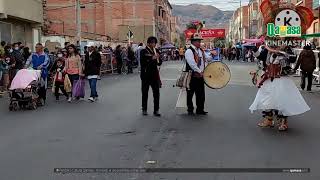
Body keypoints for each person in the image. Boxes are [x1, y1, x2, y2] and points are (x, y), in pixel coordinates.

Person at [249, 45, 310, 131]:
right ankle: (268, 120)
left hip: (282, 79)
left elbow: (292, 59)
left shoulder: (287, 50)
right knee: (267, 99)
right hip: (269, 79)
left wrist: (281, 52)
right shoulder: (267, 51)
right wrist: (255, 51)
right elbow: (260, 56)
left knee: (282, 101)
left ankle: (283, 122)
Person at [185, 33, 211, 115]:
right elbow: (192, 64)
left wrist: (212, 55)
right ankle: (190, 109)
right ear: (193, 42)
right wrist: (199, 72)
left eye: (200, 41)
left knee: (201, 94)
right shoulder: (189, 51)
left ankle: (200, 109)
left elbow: (207, 59)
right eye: (198, 41)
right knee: (190, 94)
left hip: (200, 76)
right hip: (192, 76)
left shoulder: (200, 51)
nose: (200, 43)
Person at [140, 36, 162, 116]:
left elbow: (159, 63)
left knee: (156, 93)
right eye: (152, 43)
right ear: (148, 43)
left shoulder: (156, 50)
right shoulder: (143, 51)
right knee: (145, 93)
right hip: (146, 75)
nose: (154, 44)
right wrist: (152, 58)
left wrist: (159, 58)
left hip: (154, 75)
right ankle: (144, 109)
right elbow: (143, 63)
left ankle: (156, 110)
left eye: (155, 43)